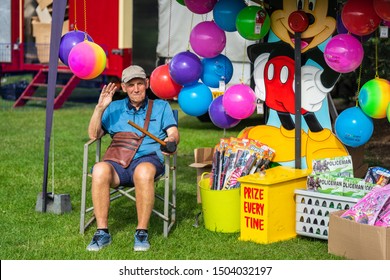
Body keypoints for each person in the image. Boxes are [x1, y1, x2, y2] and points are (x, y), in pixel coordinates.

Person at [86, 65, 179, 252]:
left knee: (143, 171)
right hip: (118, 162)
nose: (136, 89)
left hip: (148, 159)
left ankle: (141, 232)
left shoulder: (161, 107)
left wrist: (171, 140)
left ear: (147, 84)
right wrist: (99, 108)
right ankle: (102, 232)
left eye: (139, 84)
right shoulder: (113, 108)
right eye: (131, 85)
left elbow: (173, 132)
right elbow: (94, 135)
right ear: (124, 87)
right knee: (99, 169)